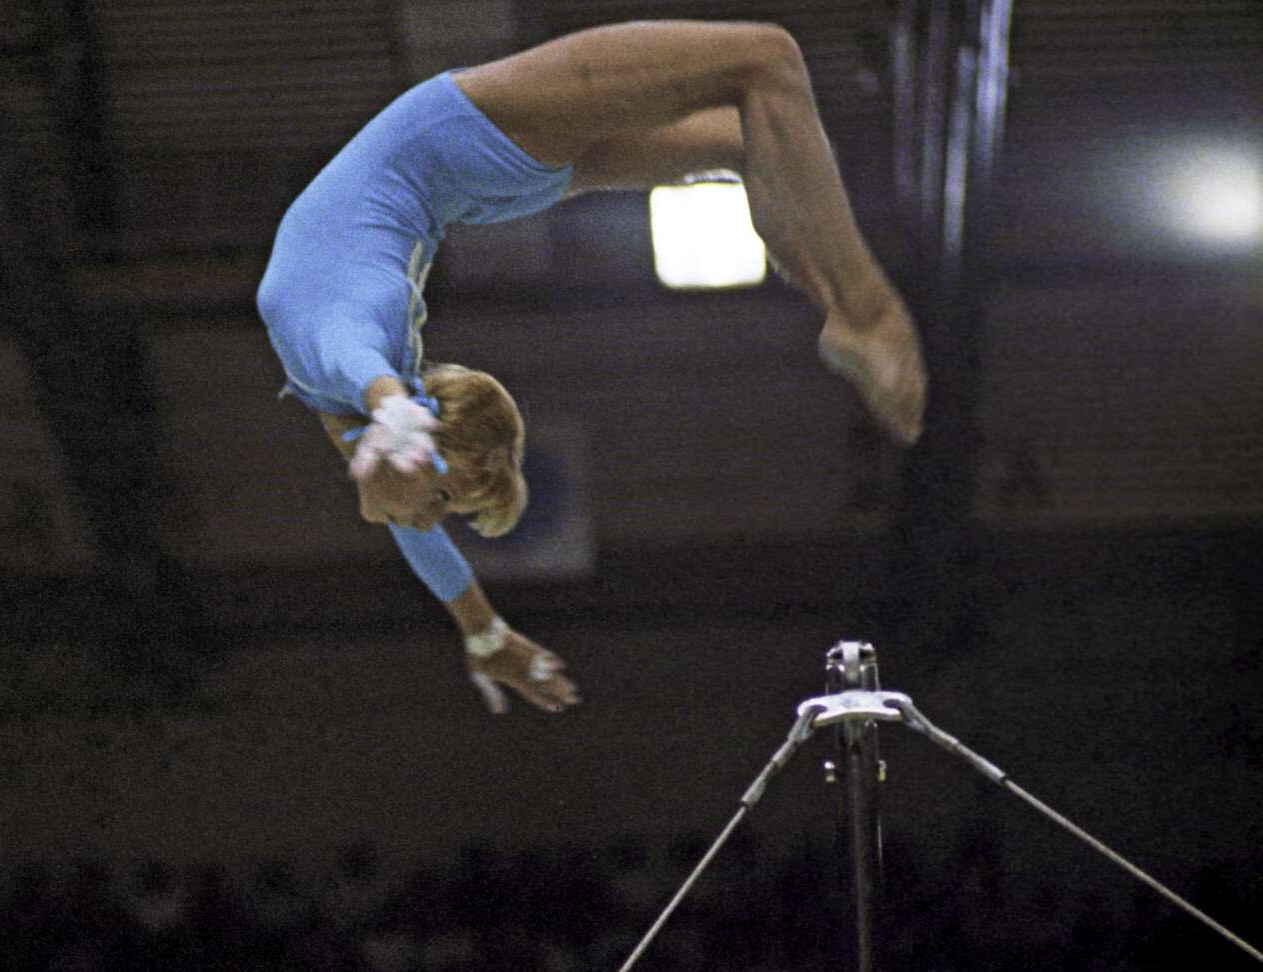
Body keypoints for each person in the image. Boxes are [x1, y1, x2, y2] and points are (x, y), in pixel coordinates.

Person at [257, 20, 927, 715]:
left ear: (410, 447)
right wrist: (484, 634)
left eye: (439, 503)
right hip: (476, 180)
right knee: (746, 122)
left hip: (469, 134)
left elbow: (365, 367)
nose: (428, 523)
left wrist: (394, 411)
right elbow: (411, 521)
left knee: (767, 63)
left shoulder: (349, 354)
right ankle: (824, 288)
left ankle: (864, 313)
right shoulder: (344, 398)